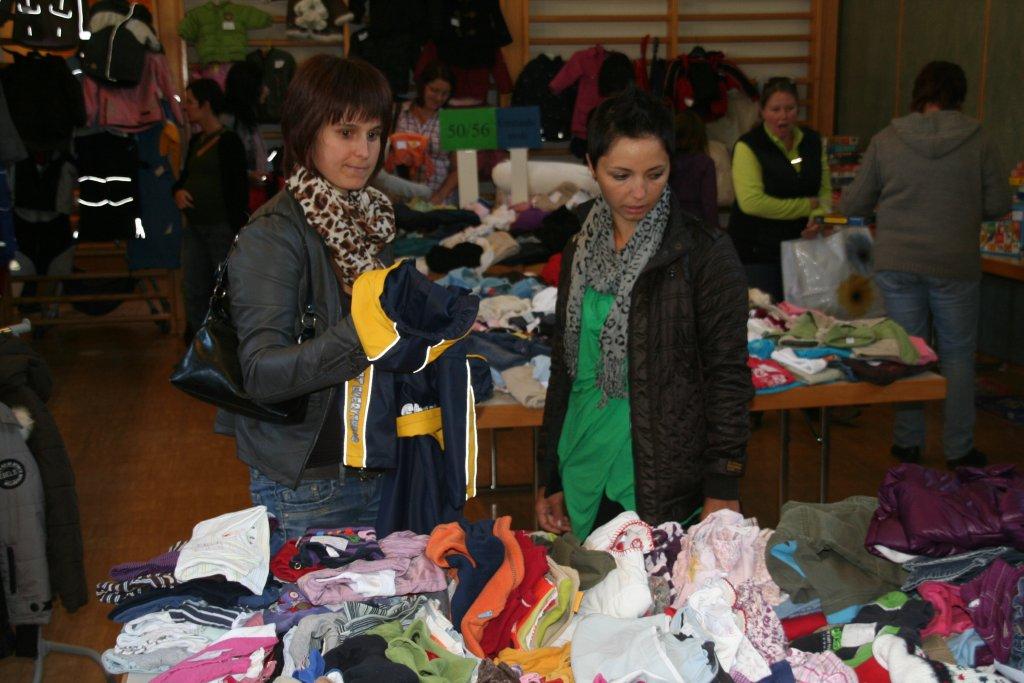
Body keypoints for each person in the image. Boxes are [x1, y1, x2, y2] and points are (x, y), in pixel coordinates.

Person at [534, 88, 752, 538]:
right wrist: (549, 472)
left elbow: (727, 375)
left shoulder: (704, 254)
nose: (639, 192)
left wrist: (723, 483)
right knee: (588, 578)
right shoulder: (578, 248)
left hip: (658, 476)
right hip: (581, 458)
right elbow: (565, 369)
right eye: (620, 175)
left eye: (656, 174)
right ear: (592, 166)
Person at [216, 55, 396, 539]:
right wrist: (368, 333)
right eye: (346, 132)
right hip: (309, 484)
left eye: (374, 134)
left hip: (373, 465)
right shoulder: (274, 233)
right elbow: (261, 374)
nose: (363, 151)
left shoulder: (370, 219)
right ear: (306, 130)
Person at [841, 61, 1009, 470]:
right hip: (955, 262)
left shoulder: (887, 139)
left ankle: (907, 443)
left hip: (897, 260)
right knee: (958, 355)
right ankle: (959, 448)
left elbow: (854, 203)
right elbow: (998, 204)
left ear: (919, 93)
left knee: (908, 351)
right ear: (960, 95)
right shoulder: (979, 139)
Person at [729, 77, 831, 302]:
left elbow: (824, 191)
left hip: (803, 246)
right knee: (764, 314)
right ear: (762, 111)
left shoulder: (812, 141)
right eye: (775, 109)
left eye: (790, 108)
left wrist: (817, 218)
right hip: (758, 252)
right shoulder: (748, 146)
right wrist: (806, 206)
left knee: (804, 314)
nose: (783, 116)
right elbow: (752, 202)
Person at [173, 79, 249, 338]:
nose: (186, 107)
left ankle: (225, 345)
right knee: (193, 287)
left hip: (220, 228)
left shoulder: (229, 141)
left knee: (223, 290)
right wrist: (178, 192)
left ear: (206, 105)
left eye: (191, 102)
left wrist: (237, 228)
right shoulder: (196, 140)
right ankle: (198, 345)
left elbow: (238, 189)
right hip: (195, 227)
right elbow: (183, 178)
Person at [393, 61, 458, 204]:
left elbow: (458, 169)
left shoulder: (450, 120)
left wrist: (439, 197)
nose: (439, 98)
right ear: (423, 86)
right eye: (434, 90)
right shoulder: (399, 112)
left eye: (445, 93)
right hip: (401, 199)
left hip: (439, 201)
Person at [670, 109, 719, 229]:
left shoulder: (665, 160)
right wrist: (714, 232)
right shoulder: (704, 163)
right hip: (696, 225)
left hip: (669, 222)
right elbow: (709, 204)